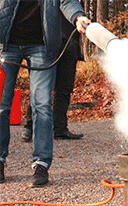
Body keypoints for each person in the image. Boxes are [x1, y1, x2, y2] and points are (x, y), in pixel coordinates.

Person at [0, 0, 91, 187]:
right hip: (6, 45)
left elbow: (67, 1)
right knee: (1, 105)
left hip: (42, 46)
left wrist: (78, 16)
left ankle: (41, 164)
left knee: (42, 105)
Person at [22, 2, 85, 142]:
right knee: (41, 87)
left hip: (70, 42)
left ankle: (60, 128)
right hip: (48, 44)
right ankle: (29, 126)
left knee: (64, 89)